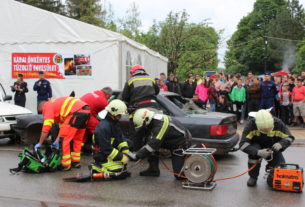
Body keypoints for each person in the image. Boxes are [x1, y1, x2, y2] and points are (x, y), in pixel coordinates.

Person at [128, 108, 190, 180]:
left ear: (146, 120)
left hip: (181, 143)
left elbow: (154, 143)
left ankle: (197, 169)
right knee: (148, 143)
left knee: (179, 175)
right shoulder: (152, 120)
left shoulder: (161, 124)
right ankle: (153, 170)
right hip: (169, 140)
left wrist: (136, 155)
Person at [239, 109, 294, 187]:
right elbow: (242, 144)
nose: (267, 132)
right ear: (257, 125)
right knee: (253, 157)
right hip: (256, 147)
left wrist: (281, 144)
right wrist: (257, 152)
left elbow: (289, 138)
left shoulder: (278, 123)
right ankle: (253, 177)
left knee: (280, 166)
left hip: (273, 147)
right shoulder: (251, 125)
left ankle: (271, 171)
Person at [34, 97, 90, 171]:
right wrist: (57, 141)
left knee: (64, 140)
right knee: (77, 139)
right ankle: (76, 162)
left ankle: (66, 165)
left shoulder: (47, 106)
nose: (43, 114)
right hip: (86, 111)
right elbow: (63, 128)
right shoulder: (57, 105)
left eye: (41, 112)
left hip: (75, 112)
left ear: (41, 107)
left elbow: (46, 128)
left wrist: (40, 143)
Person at [90, 100, 130, 178]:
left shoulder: (114, 123)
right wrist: (121, 157)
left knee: (123, 169)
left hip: (108, 153)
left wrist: (126, 150)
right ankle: (97, 167)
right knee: (119, 173)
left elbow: (120, 138)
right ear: (113, 113)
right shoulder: (103, 127)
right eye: (119, 115)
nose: (120, 117)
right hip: (102, 156)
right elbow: (106, 148)